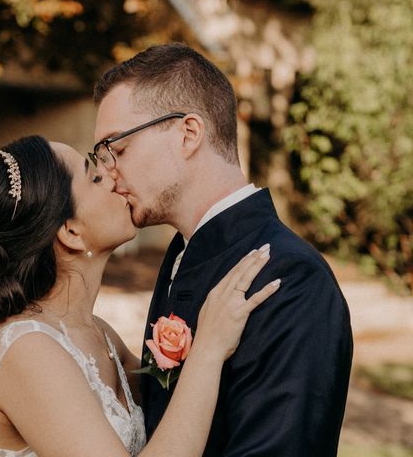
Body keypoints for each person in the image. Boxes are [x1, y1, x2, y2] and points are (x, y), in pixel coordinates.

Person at [0, 135, 280, 457]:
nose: (112, 174)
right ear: (71, 231)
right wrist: (208, 350)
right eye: (94, 176)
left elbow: (177, 412)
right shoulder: (27, 351)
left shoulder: (100, 336)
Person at [91, 42, 353, 456]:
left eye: (117, 149)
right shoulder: (183, 255)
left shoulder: (290, 276)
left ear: (189, 134)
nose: (108, 172)